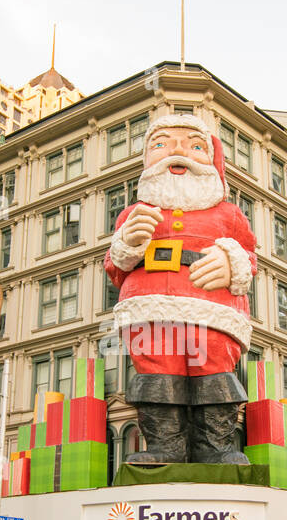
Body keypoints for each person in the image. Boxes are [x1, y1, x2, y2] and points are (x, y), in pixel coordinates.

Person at [104, 113, 258, 465]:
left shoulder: (229, 215)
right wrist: (126, 243)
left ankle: (215, 448)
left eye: (195, 145)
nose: (178, 151)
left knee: (214, 376)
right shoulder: (132, 214)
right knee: (158, 375)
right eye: (162, 144)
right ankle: (165, 447)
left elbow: (249, 258)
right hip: (150, 314)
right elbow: (114, 267)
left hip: (214, 316)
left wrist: (230, 259)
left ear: (212, 160)